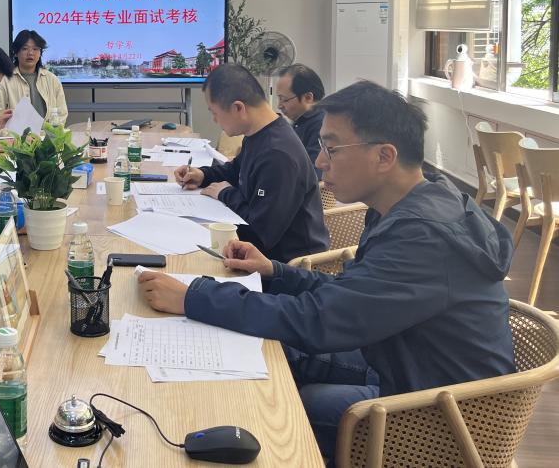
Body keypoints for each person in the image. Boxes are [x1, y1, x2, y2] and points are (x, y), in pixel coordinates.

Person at [140, 81, 515, 463]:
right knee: (274, 354)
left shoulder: (423, 236)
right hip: (407, 360)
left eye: (331, 149)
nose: (319, 161)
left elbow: (318, 320)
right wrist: (275, 272)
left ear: (384, 156)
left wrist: (194, 296)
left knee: (292, 406)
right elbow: (351, 292)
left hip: (445, 415)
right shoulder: (413, 201)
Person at [174, 64, 328, 261]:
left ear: (238, 108)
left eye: (214, 112)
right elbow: (236, 170)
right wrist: (203, 175)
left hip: (285, 265)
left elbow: (260, 233)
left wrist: (225, 193)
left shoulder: (278, 154)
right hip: (256, 250)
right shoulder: (259, 133)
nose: (214, 120)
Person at [0, 30, 68, 125]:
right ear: (16, 52)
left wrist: (51, 133)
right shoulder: (3, 80)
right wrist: (10, 134)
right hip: (14, 134)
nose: (30, 53)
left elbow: (62, 113)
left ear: (40, 53)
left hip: (47, 134)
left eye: (35, 49)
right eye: (25, 48)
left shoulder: (52, 80)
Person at [276, 64, 327, 178]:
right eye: (279, 98)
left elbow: (314, 172)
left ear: (308, 97)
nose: (279, 105)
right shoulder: (300, 121)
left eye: (284, 99)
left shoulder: (321, 125)